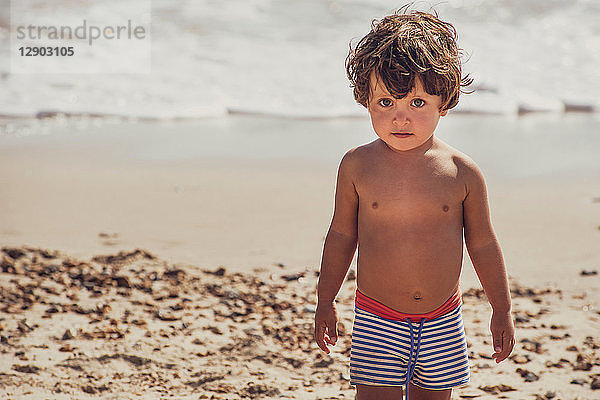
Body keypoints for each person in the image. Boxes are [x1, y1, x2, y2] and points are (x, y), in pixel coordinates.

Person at [314, 7, 515, 400]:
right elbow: (341, 234)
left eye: (418, 103)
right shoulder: (357, 165)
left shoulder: (462, 172)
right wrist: (325, 300)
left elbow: (483, 244)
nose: (400, 118)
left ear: (445, 100)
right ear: (365, 100)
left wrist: (502, 308)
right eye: (386, 102)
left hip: (443, 317)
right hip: (377, 316)